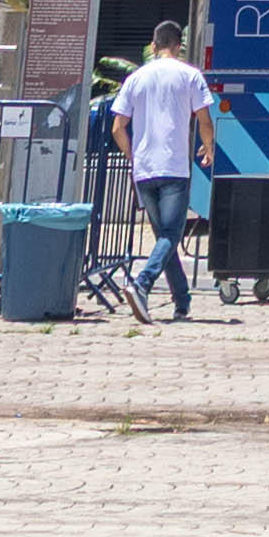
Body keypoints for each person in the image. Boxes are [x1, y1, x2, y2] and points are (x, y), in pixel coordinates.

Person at [108, 20, 213, 316]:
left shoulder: (136, 79)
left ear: (153, 46)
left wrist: (133, 156)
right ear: (179, 46)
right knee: (171, 235)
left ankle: (182, 302)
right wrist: (209, 147)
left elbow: (118, 127)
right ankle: (142, 284)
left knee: (165, 238)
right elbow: (204, 119)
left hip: (144, 169)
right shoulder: (190, 76)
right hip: (174, 166)